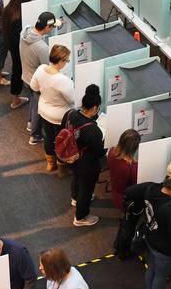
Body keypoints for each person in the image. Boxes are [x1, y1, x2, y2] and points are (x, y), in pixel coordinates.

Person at [125, 162, 171, 289]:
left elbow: (130, 191)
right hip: (164, 250)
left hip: (150, 239)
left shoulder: (151, 189)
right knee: (160, 276)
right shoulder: (170, 210)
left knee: (151, 269)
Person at [65, 84, 106, 226]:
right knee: (86, 190)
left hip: (72, 158)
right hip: (87, 165)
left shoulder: (71, 114)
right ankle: (81, 217)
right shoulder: (93, 130)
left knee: (76, 179)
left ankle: (74, 197)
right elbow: (100, 152)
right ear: (95, 108)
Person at [30, 44, 75, 173]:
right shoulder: (63, 80)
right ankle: (62, 167)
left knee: (49, 137)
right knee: (62, 140)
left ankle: (50, 164)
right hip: (61, 116)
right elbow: (72, 100)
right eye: (66, 60)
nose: (66, 63)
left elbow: (34, 87)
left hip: (44, 111)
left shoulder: (41, 69)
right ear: (60, 61)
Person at [20, 12, 60, 146]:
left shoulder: (24, 33)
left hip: (25, 76)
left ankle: (31, 124)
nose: (53, 29)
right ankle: (34, 135)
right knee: (38, 108)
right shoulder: (42, 48)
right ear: (47, 27)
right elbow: (48, 69)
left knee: (33, 101)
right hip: (35, 82)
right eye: (52, 27)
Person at [2, 0, 31, 110]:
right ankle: (16, 99)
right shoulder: (17, 19)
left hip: (11, 45)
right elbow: (19, 38)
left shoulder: (8, 11)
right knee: (17, 70)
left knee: (17, 69)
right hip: (17, 48)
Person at [107, 129, 140, 210]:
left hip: (115, 191)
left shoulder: (112, 151)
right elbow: (136, 187)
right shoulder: (131, 168)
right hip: (126, 199)